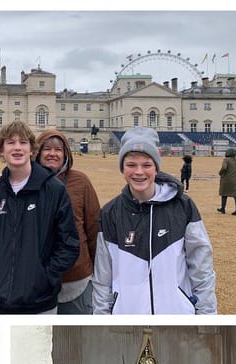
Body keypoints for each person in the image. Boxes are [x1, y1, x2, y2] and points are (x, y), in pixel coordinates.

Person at [92, 126, 217, 315]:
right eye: (131, 165)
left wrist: (206, 316)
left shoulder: (183, 206)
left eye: (146, 165)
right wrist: (102, 321)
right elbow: (103, 278)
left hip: (176, 318)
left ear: (156, 167)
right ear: (122, 168)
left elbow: (202, 268)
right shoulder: (110, 213)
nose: (139, 172)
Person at [0, 120, 80, 314]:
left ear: (32, 149)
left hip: (40, 303)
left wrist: (44, 278)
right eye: (10, 142)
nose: (17, 148)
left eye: (23, 142)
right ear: (1, 150)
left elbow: (68, 244)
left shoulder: (54, 190)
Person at [36, 129, 100, 314]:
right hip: (38, 279)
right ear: (38, 152)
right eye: (46, 149)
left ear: (66, 154)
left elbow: (93, 227)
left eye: (58, 149)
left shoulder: (80, 181)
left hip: (76, 277)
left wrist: (96, 270)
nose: (52, 154)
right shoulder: (25, 182)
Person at [217, 147, 236, 216]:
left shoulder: (226, 160)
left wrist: (220, 173)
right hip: (235, 179)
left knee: (224, 194)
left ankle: (223, 208)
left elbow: (224, 167)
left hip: (226, 179)